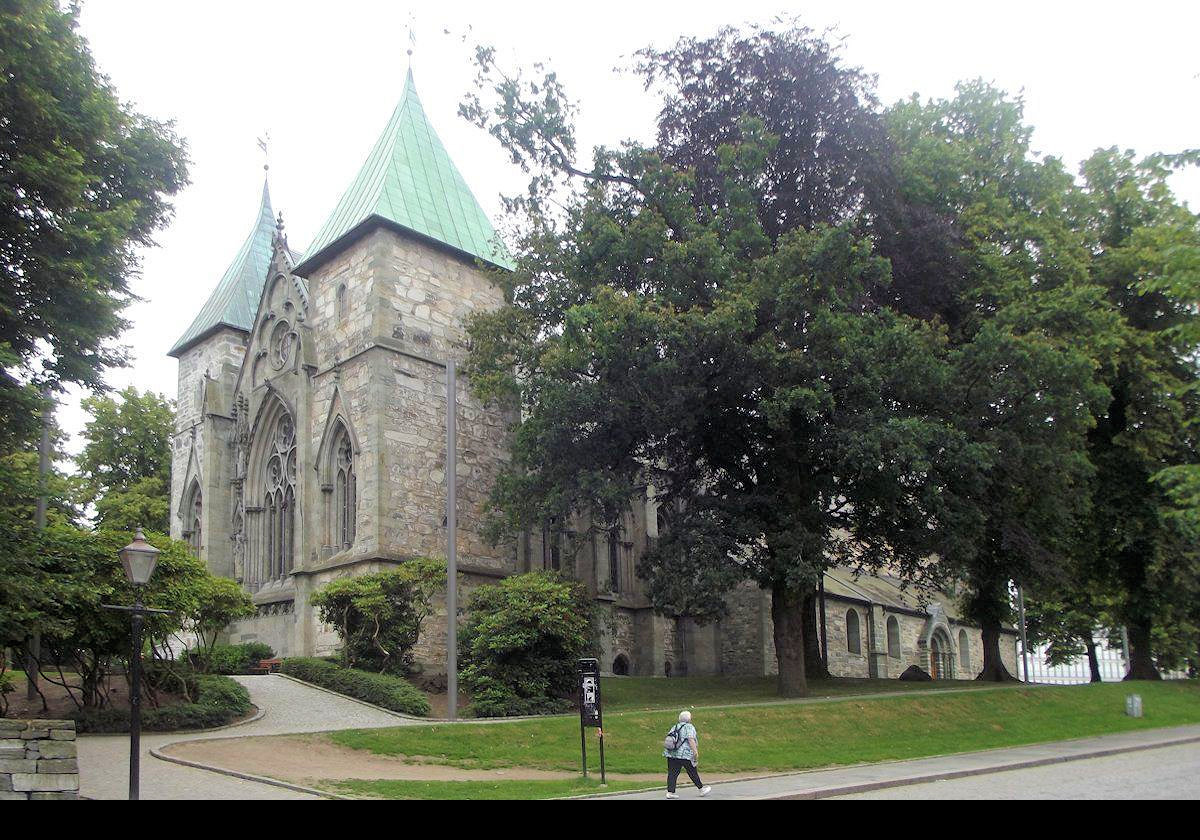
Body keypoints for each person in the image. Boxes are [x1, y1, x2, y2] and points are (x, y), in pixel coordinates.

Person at [663, 710, 712, 799]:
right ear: (689, 719)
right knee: (692, 772)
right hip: (684, 755)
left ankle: (670, 792)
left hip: (672, 754)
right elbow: (690, 739)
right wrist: (695, 751)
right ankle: (701, 789)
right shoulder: (689, 727)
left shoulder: (675, 726)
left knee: (672, 773)